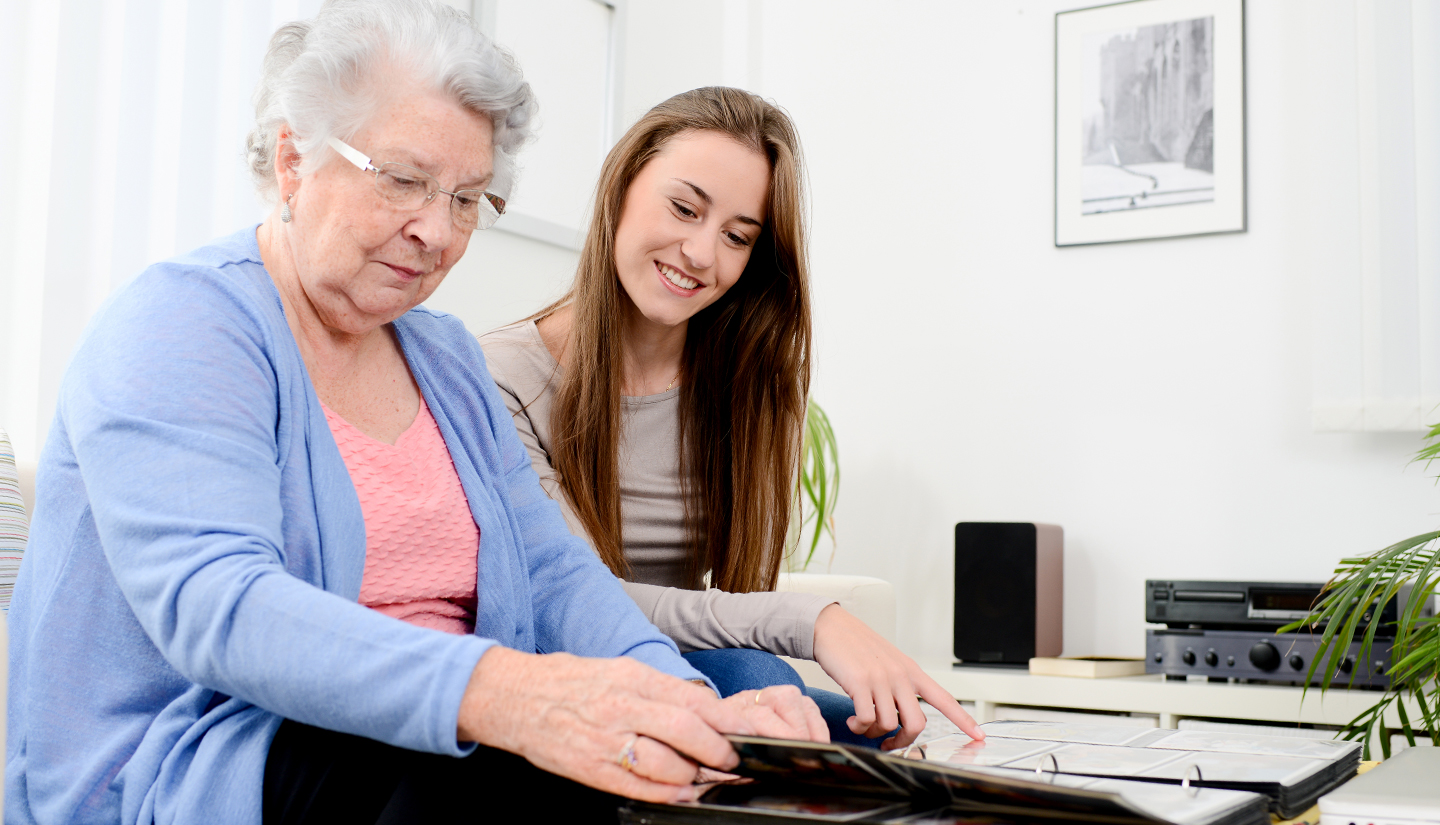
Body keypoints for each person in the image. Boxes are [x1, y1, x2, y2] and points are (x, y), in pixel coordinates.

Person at [3, 4, 825, 824]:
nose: (437, 230)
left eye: (468, 198)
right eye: (402, 178)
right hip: (203, 768)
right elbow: (222, 606)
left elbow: (553, 574)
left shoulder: (446, 359)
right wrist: (506, 693)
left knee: (714, 778)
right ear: (295, 159)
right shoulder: (183, 321)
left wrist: (680, 700)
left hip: (445, 753)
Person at [479, 87, 983, 751]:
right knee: (759, 676)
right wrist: (813, 621)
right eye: (684, 208)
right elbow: (572, 600)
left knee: (894, 732)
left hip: (696, 675)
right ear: (622, 186)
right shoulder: (498, 375)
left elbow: (726, 602)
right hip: (561, 675)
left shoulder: (747, 381)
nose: (699, 253)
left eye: (737, 236)